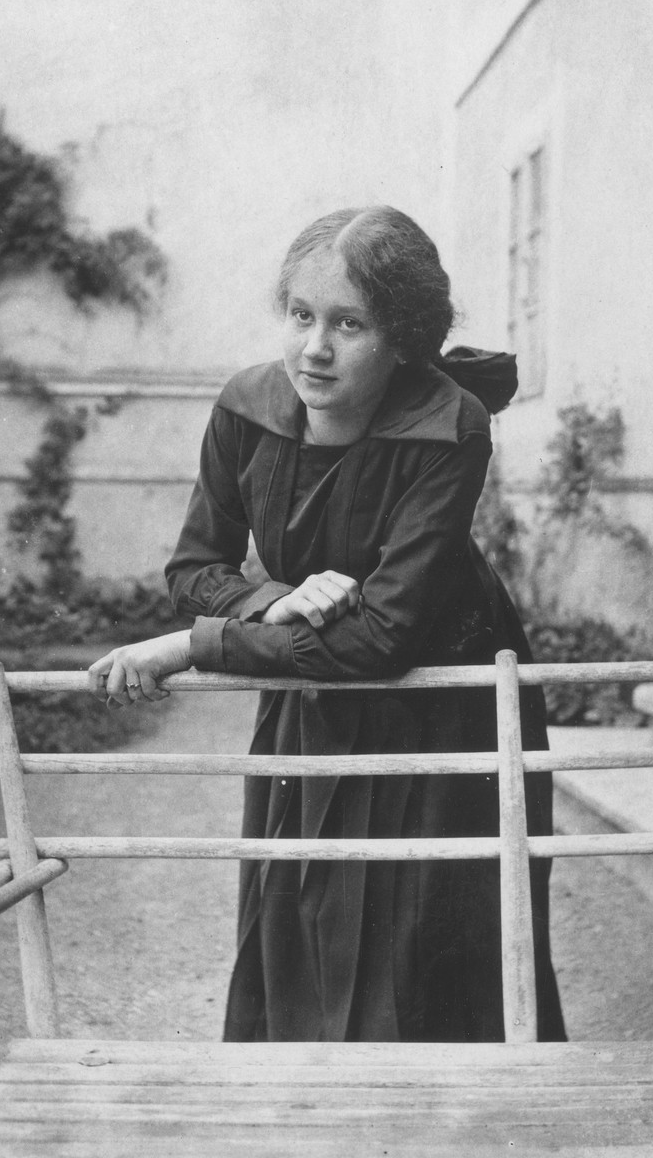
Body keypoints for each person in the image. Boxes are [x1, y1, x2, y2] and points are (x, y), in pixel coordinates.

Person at [89, 205, 566, 1044]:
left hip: (438, 703)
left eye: (350, 324)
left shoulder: (449, 426)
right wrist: (265, 600)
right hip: (307, 685)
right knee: (299, 905)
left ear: (407, 340)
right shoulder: (245, 408)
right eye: (302, 316)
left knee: (423, 932)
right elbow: (193, 570)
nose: (315, 347)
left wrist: (198, 644)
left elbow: (384, 634)